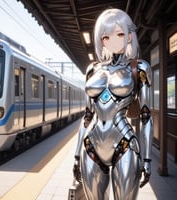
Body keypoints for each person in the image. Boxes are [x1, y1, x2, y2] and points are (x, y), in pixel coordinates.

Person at [73, 8, 153, 200]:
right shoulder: (92, 70)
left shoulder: (140, 68)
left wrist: (148, 158)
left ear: (128, 37)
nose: (113, 40)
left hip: (124, 145)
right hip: (91, 145)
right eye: (106, 36)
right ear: (102, 40)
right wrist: (76, 156)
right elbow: (87, 116)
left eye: (119, 33)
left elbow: (146, 115)